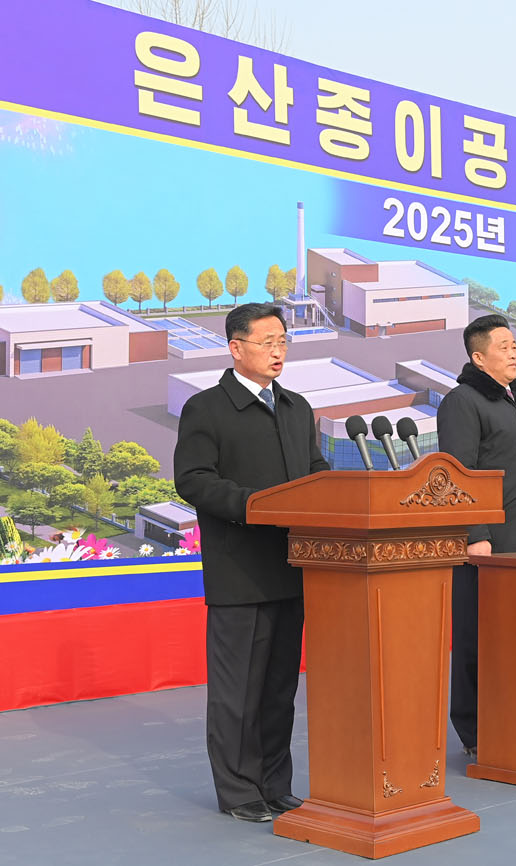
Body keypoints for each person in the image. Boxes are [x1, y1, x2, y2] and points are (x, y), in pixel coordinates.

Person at [173, 303, 329, 823]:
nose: (278, 350)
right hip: (240, 568)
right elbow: (193, 479)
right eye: (267, 341)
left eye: (283, 340)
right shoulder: (207, 409)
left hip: (291, 565)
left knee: (279, 688)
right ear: (236, 348)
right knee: (237, 689)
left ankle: (274, 783)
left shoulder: (297, 408)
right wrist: (252, 506)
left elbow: (314, 473)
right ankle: (239, 791)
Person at [436, 314, 516, 756]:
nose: (513, 352)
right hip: (488, 545)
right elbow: (458, 473)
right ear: (478, 356)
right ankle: (476, 730)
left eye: (514, 345)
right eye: (503, 345)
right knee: (478, 638)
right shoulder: (463, 402)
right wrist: (474, 534)